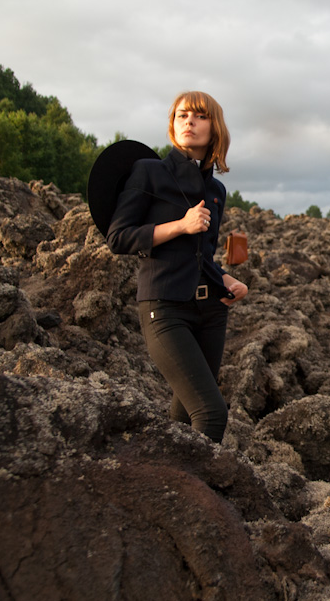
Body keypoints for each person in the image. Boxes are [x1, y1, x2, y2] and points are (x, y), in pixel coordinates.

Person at [104, 91, 248, 443]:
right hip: (164, 307)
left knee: (184, 420)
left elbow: (201, 253)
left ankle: (170, 482)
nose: (189, 121)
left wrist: (224, 278)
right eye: (182, 115)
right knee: (211, 414)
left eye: (199, 116)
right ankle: (195, 497)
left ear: (215, 128)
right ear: (173, 124)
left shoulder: (215, 190)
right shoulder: (149, 173)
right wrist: (180, 226)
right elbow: (118, 237)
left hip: (210, 311)